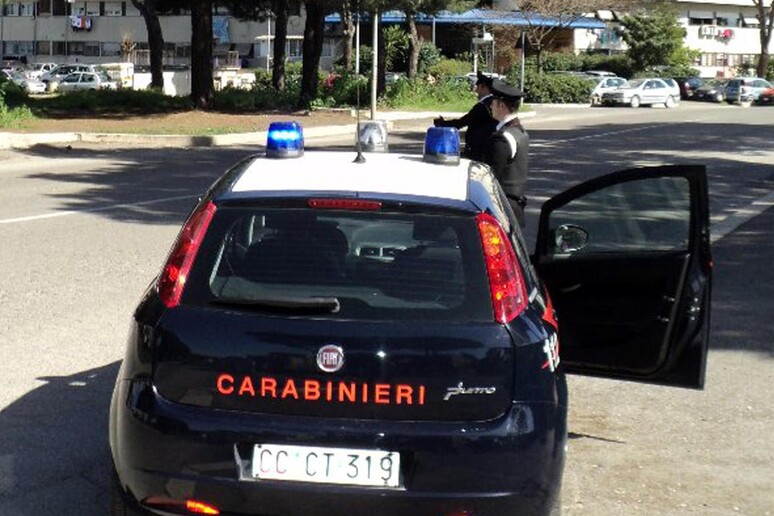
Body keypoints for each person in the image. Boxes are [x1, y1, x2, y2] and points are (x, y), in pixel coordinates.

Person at [484, 79, 529, 228]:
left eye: (493, 102)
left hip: (503, 209)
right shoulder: (520, 131)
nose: (491, 106)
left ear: (502, 106)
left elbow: (490, 175)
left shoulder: (503, 137)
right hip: (515, 207)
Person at [433, 71, 498, 162]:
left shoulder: (482, 107)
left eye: (478, 87)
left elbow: (462, 122)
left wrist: (442, 124)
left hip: (478, 151)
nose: (476, 90)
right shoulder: (495, 103)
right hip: (488, 148)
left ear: (484, 88)